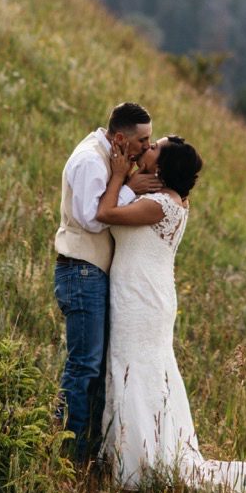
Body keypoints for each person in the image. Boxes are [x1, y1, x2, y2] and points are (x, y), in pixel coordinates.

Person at [94, 135, 246, 493]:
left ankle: (138, 468)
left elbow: (104, 214)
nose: (146, 148)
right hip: (146, 295)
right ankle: (143, 459)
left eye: (154, 148)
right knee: (144, 372)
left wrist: (120, 177)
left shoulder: (158, 205)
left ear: (162, 168)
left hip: (143, 301)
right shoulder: (169, 201)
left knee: (136, 372)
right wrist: (133, 182)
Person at [53, 102, 160, 463]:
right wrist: (127, 186)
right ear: (119, 138)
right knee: (84, 365)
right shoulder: (89, 160)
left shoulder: (109, 157)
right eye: (143, 140)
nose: (147, 147)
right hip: (81, 270)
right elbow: (92, 218)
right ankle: (67, 452)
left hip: (91, 272)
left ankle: (85, 450)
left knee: (94, 366)